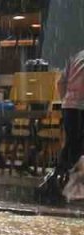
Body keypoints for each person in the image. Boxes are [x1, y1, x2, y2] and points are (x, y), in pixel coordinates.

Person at [45, 48, 84, 198]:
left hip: (69, 107)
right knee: (77, 146)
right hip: (81, 107)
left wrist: (65, 100)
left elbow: (61, 82)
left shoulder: (75, 56)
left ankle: (59, 178)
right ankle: (67, 183)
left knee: (72, 144)